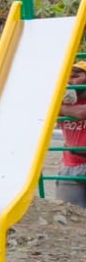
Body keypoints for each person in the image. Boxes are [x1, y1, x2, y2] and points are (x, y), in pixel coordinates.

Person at [54, 61, 86, 207]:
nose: (69, 81)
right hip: (71, 165)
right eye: (67, 77)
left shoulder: (58, 104)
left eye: (75, 76)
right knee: (69, 214)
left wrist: (56, 109)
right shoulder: (61, 99)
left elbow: (81, 113)